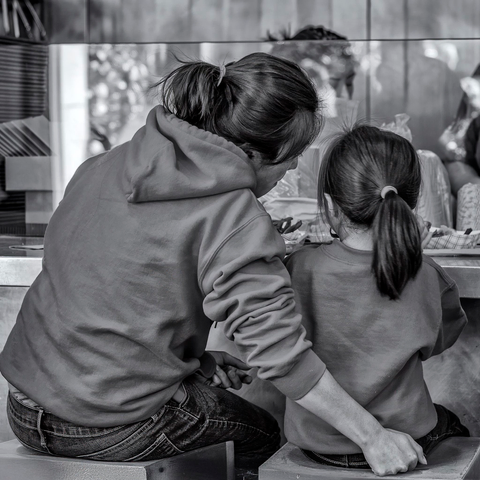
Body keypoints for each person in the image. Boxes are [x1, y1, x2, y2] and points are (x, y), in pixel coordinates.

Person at [1, 53, 425, 477]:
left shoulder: (104, 164)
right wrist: (372, 436)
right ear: (250, 154)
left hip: (23, 404)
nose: (296, 166)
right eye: (290, 157)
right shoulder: (234, 216)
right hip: (110, 423)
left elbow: (105, 288)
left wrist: (193, 364)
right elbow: (281, 355)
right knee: (263, 437)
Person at [284, 124, 470, 470]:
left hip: (316, 444)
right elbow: (440, 341)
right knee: (454, 422)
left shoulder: (297, 267)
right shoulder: (426, 274)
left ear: (330, 206)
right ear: (410, 203)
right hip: (407, 433)